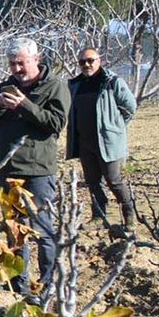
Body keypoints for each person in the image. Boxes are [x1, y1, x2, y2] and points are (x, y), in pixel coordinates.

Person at [0, 37, 69, 299]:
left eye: (21, 63)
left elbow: (55, 123)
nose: (17, 69)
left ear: (36, 59)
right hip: (7, 170)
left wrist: (24, 105)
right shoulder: (5, 87)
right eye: (12, 64)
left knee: (43, 231)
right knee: (14, 230)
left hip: (38, 171)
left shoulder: (54, 87)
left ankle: (47, 286)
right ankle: (17, 282)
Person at [66, 48, 137, 231]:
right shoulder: (75, 85)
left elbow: (130, 107)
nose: (86, 65)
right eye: (82, 62)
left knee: (114, 180)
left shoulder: (112, 82)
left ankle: (130, 216)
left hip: (108, 142)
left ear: (100, 60)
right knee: (93, 181)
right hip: (84, 142)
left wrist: (114, 128)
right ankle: (99, 217)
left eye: (90, 60)